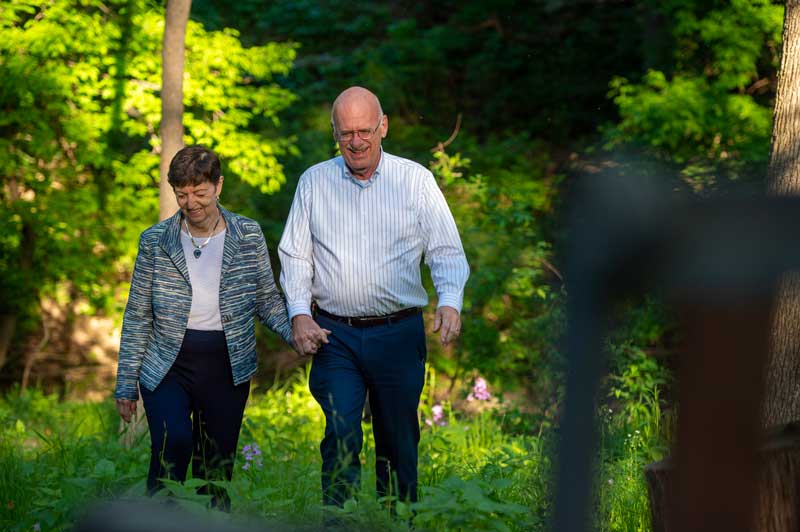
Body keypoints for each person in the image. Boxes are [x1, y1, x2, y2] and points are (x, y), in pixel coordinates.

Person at [279, 86, 469, 508]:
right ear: (335, 134)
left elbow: (445, 250)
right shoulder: (314, 182)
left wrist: (450, 300)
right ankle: (340, 521)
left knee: (398, 438)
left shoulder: (415, 180)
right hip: (335, 335)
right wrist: (298, 314)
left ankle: (396, 519)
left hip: (397, 333)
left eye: (365, 130)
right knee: (341, 433)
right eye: (346, 133)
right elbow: (294, 255)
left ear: (383, 127)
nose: (356, 141)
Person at [114, 145, 294, 509]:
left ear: (218, 185)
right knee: (173, 445)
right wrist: (125, 383)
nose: (191, 202)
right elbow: (137, 314)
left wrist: (297, 332)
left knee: (216, 468)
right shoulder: (155, 241)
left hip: (227, 364)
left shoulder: (247, 234)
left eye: (199, 192)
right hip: (167, 363)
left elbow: (267, 299)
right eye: (182, 194)